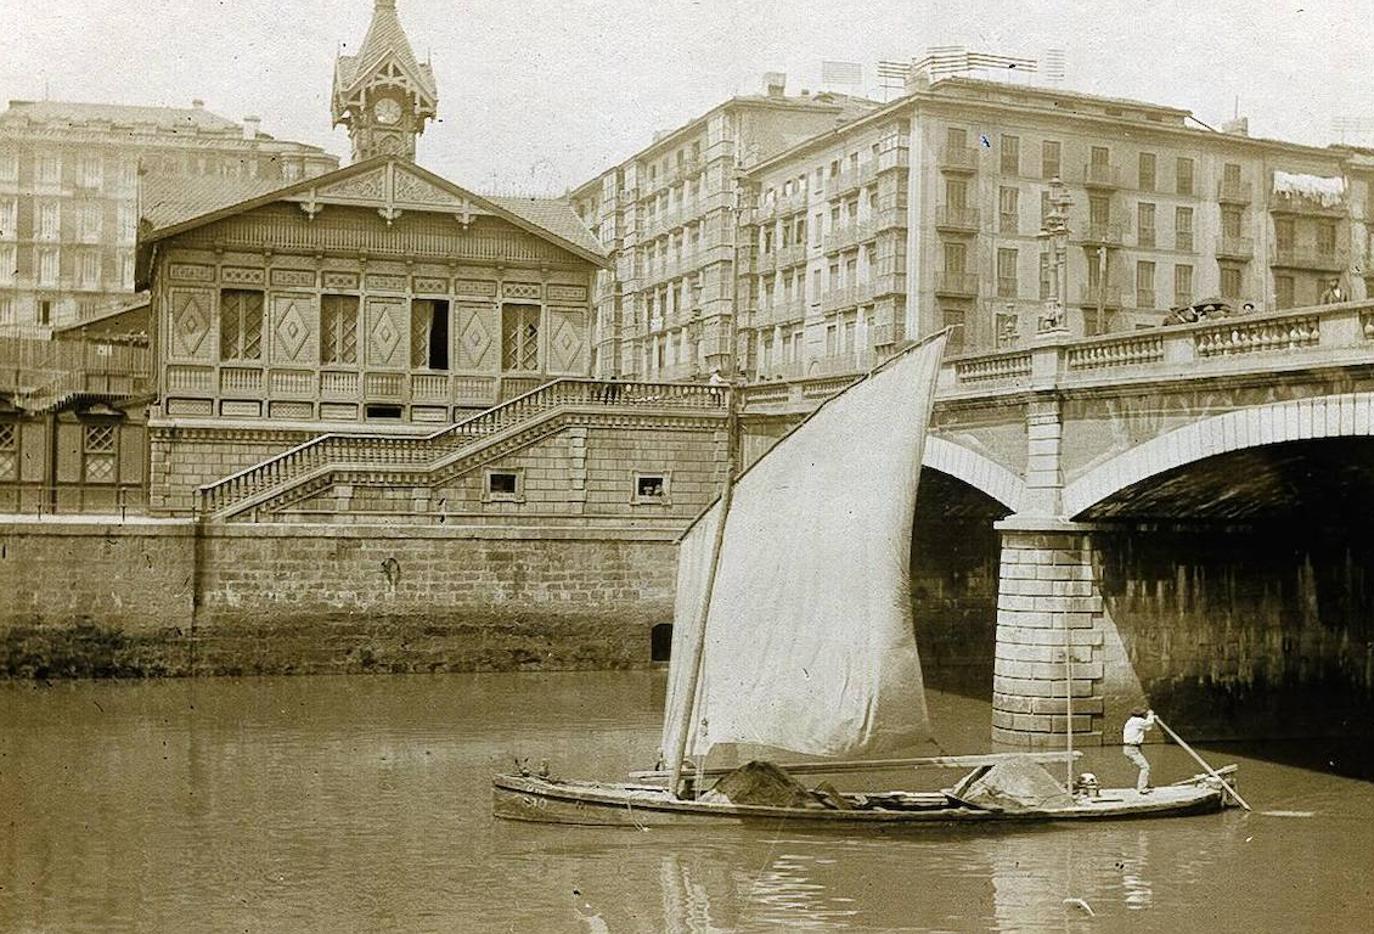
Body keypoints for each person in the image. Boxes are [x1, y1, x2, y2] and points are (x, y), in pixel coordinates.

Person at [1122, 707, 1157, 793]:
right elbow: (1149, 723)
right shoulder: (1138, 721)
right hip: (1132, 748)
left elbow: (1148, 728)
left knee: (1144, 766)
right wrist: (1151, 715)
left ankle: (1147, 785)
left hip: (1131, 748)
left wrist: (1150, 718)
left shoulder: (1130, 721)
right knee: (1145, 767)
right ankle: (1142, 788)